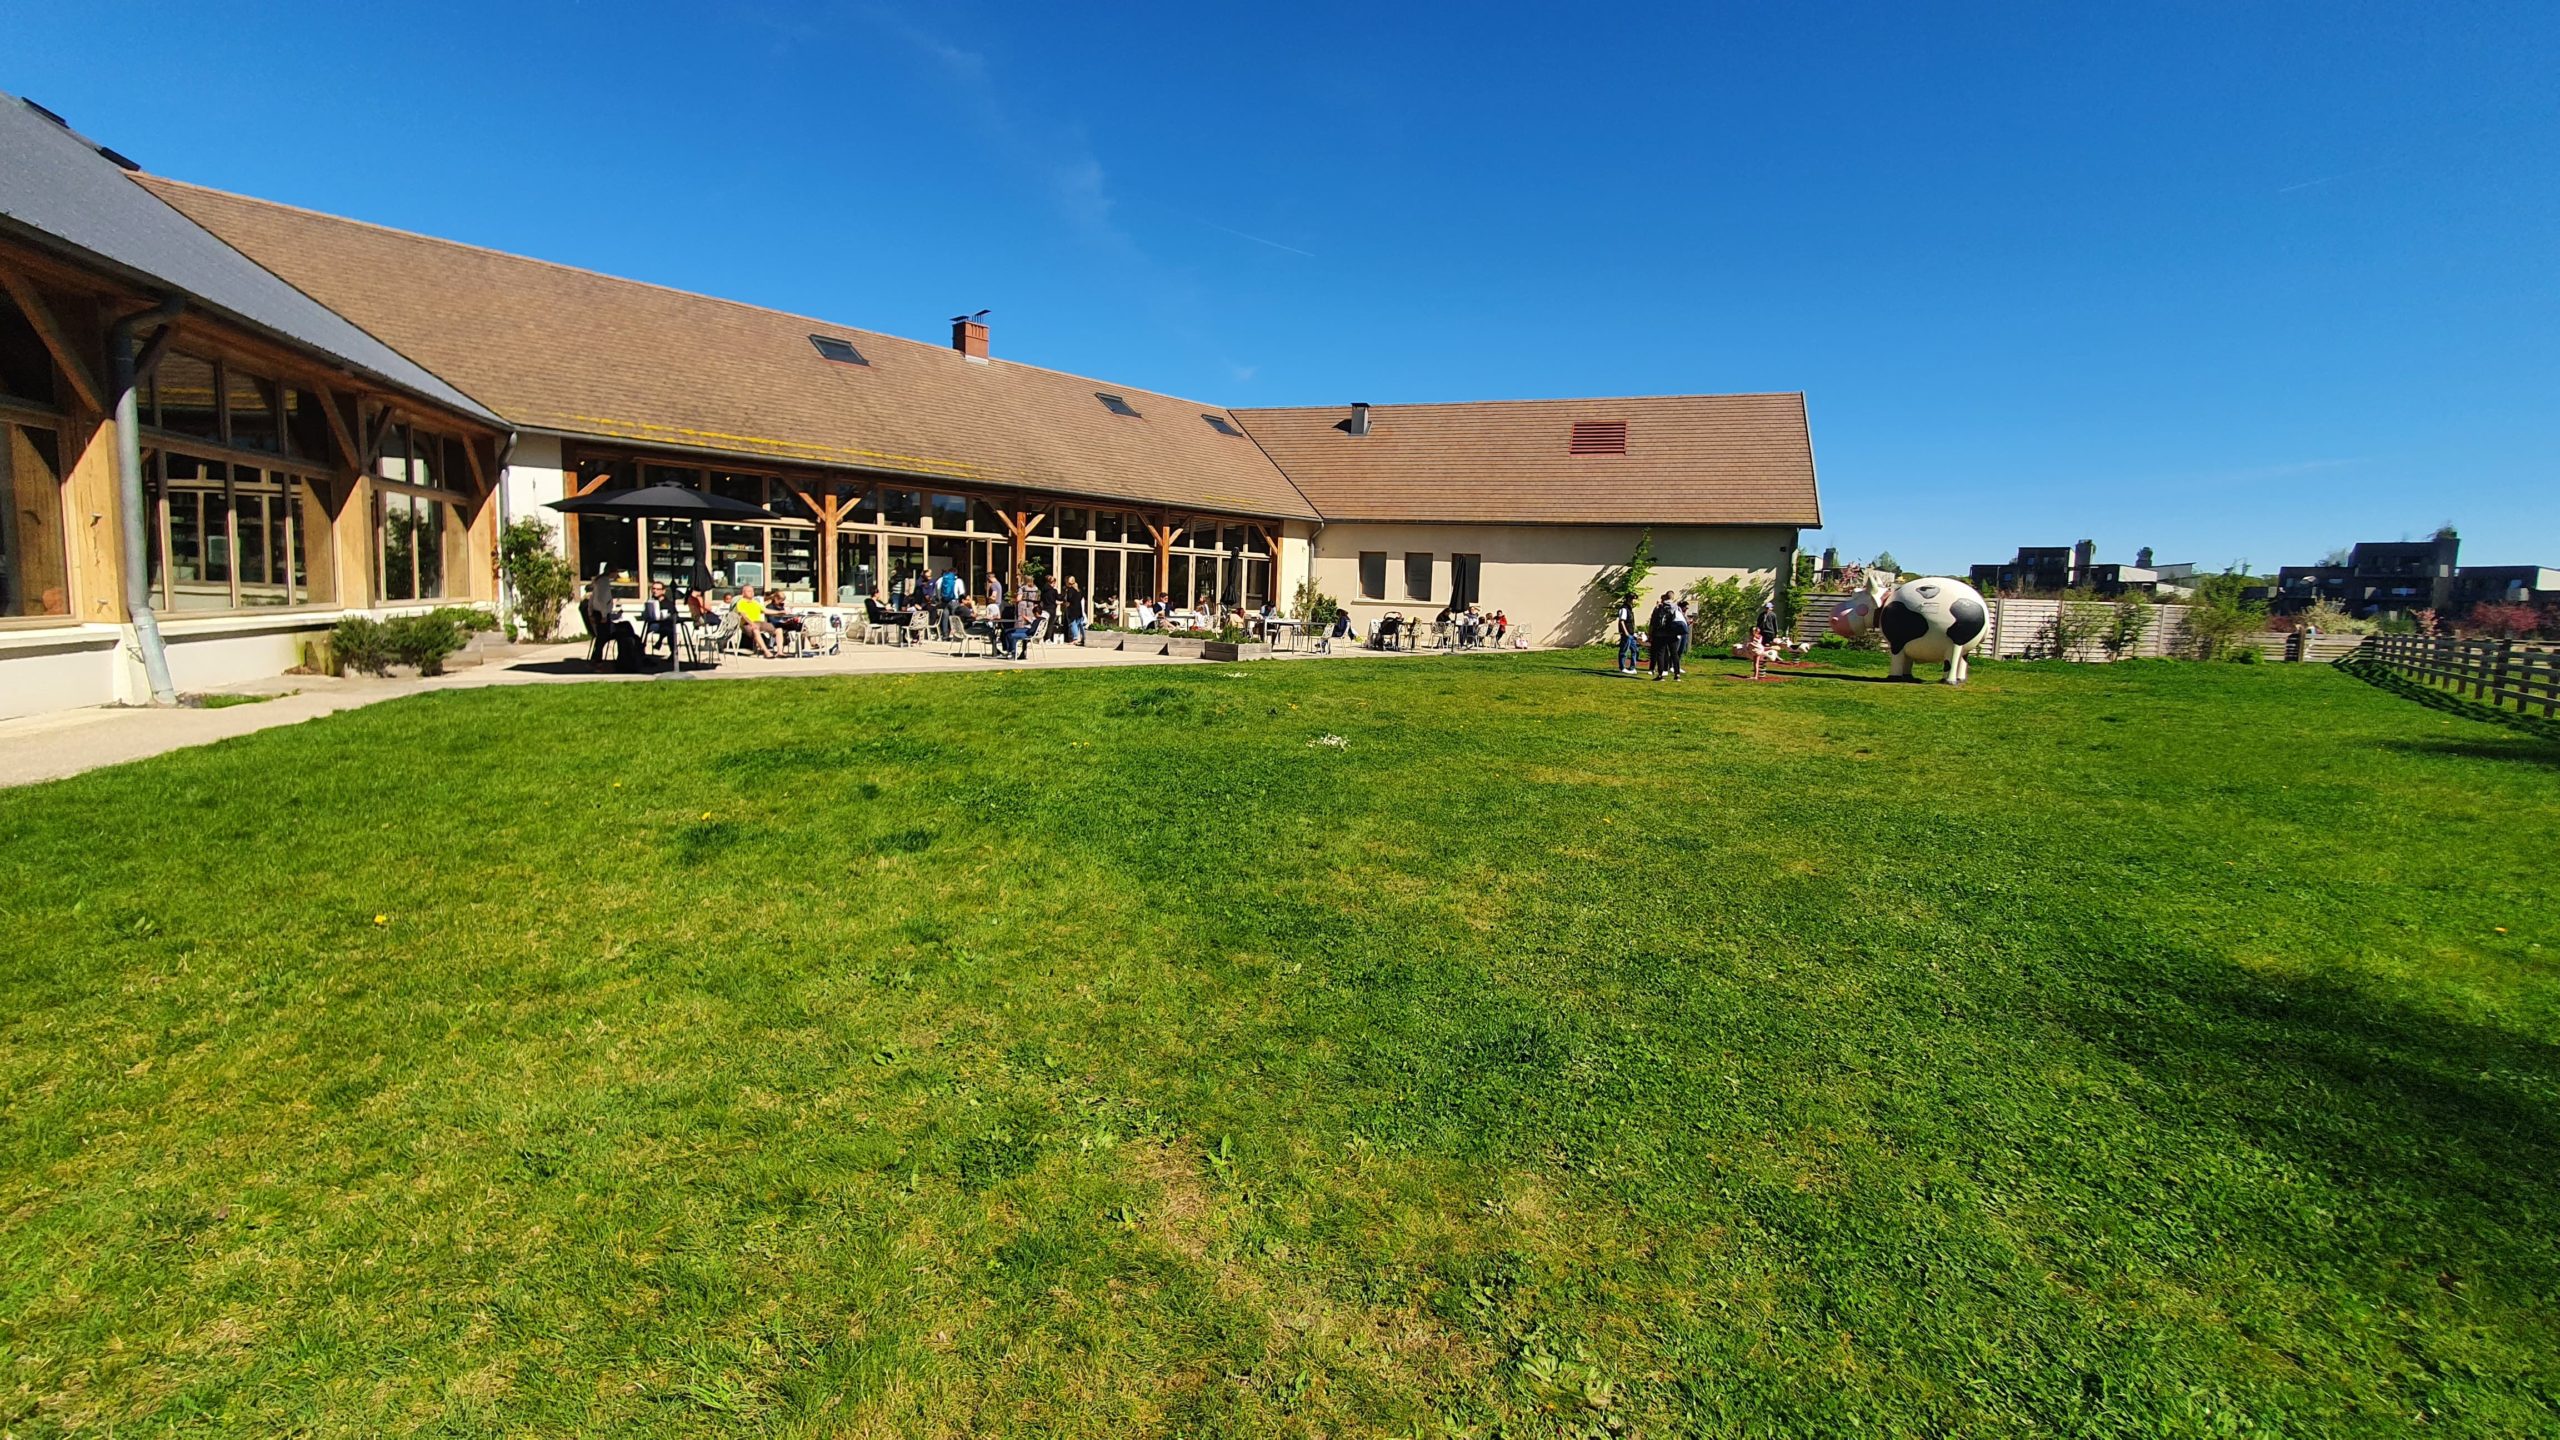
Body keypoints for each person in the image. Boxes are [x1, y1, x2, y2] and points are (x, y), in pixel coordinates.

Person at [582, 568, 618, 668]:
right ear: (612, 572)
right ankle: (598, 660)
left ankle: (596, 659)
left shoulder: (599, 582)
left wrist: (590, 613)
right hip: (601, 614)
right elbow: (602, 601)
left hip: (598, 613)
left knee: (601, 639)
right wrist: (604, 615)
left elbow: (593, 600)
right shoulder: (604, 583)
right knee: (604, 637)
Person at [733, 585, 778, 658]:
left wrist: (780, 612)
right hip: (747, 624)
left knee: (778, 630)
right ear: (743, 593)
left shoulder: (755, 602)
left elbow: (765, 610)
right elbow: (744, 616)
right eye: (749, 591)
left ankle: (780, 652)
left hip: (759, 622)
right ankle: (766, 652)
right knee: (755, 630)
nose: (751, 593)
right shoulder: (740, 603)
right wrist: (752, 623)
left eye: (752, 591)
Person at [640, 581, 679, 659]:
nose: (655, 591)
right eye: (653, 589)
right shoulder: (650, 602)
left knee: (669, 627)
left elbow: (674, 615)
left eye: (658, 589)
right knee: (668, 628)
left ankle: (672, 651)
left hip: (665, 624)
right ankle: (641, 650)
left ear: (663, 591)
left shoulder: (668, 603)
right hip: (653, 624)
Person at [1646, 593, 1677, 682]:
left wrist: (1650, 634)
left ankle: (1660, 675)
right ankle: (1676, 674)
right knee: (1674, 653)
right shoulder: (1675, 607)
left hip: (1660, 633)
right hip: (1671, 633)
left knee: (1660, 653)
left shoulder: (1659, 608)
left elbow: (1652, 622)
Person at [1615, 592, 1640, 674]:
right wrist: (1626, 632)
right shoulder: (1624, 609)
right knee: (1624, 650)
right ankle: (1622, 667)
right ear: (1629, 599)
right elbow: (1622, 621)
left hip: (1631, 633)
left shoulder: (1629, 609)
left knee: (1635, 650)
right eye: (1634, 599)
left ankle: (1632, 667)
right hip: (1627, 634)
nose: (1635, 601)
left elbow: (1631, 622)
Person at [1061, 576, 1088, 644]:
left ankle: (1075, 638)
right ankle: (1084, 638)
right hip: (1078, 609)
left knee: (1072, 624)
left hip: (1072, 609)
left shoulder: (1070, 590)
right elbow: (1080, 598)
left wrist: (1067, 602)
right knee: (1080, 624)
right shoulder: (1078, 590)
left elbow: (1069, 599)